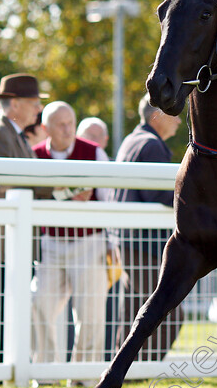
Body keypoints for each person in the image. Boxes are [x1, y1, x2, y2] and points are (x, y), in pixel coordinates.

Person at [0, 74, 53, 381]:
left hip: (11, 240)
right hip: (1, 240)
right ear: (14, 104)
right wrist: (50, 188)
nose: (39, 108)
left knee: (8, 308)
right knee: (4, 308)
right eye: (34, 103)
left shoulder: (12, 133)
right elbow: (2, 181)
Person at [31, 101, 111, 366]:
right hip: (51, 243)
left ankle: (83, 375)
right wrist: (67, 196)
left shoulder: (94, 152)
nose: (67, 129)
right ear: (46, 127)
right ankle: (45, 372)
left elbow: (110, 200)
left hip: (89, 242)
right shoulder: (34, 155)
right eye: (61, 124)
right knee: (39, 304)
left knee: (90, 313)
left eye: (71, 123)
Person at [113, 95, 183, 361]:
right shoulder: (151, 145)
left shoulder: (132, 140)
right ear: (157, 116)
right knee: (170, 311)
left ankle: (125, 368)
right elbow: (159, 195)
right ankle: (140, 368)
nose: (178, 120)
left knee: (133, 310)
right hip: (145, 245)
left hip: (128, 240)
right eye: (173, 113)